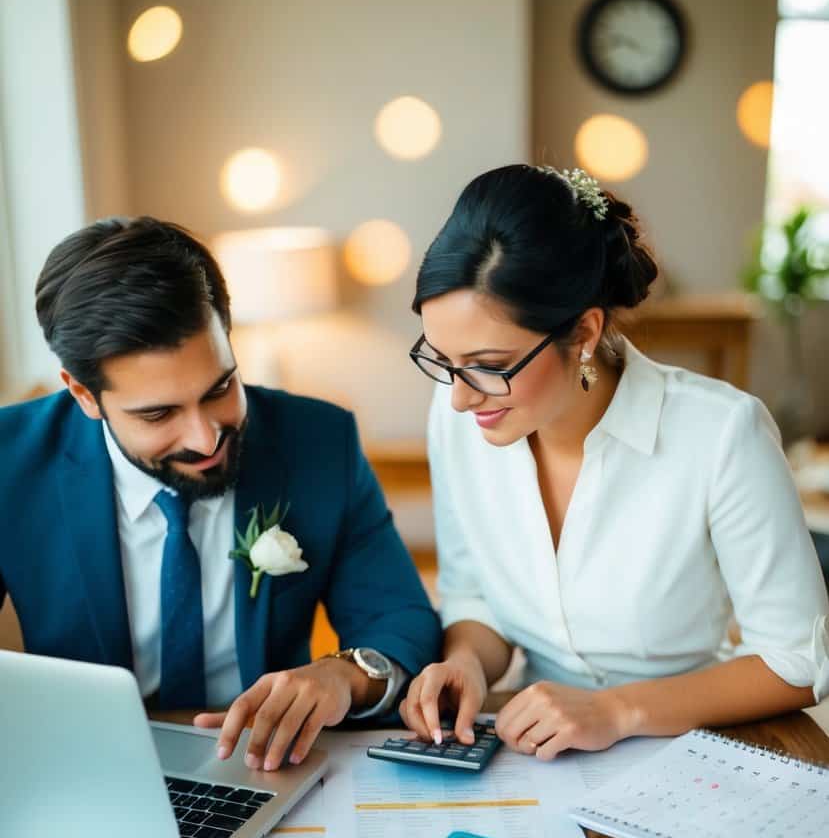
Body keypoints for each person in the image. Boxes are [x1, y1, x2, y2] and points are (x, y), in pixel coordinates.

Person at [400, 164, 829, 759]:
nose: (460, 395)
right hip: (531, 752)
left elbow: (798, 663)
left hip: (693, 745)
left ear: (582, 332)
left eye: (489, 365)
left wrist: (616, 711)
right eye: (443, 360)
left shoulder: (723, 434)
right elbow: (473, 597)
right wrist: (468, 664)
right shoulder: (458, 422)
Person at [0, 216, 440, 768]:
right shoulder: (10, 463)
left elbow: (402, 619)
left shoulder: (319, 442)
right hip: (87, 768)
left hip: (267, 764)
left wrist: (344, 675)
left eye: (220, 388)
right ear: (84, 394)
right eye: (159, 413)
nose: (205, 437)